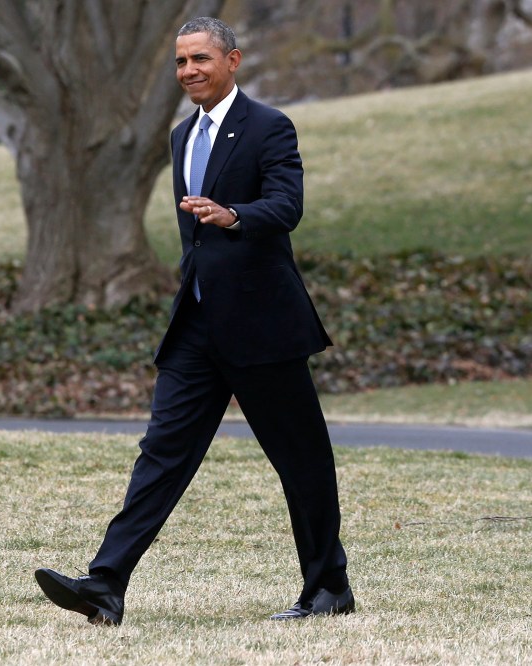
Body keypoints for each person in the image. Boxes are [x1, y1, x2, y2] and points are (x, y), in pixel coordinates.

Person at [34, 16, 353, 625]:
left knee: (301, 459)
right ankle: (105, 585)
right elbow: (193, 242)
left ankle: (329, 587)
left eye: (200, 59)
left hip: (263, 327)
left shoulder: (269, 126)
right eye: (181, 62)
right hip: (197, 327)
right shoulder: (182, 137)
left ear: (232, 61)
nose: (189, 72)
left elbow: (288, 206)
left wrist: (233, 214)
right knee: (162, 452)